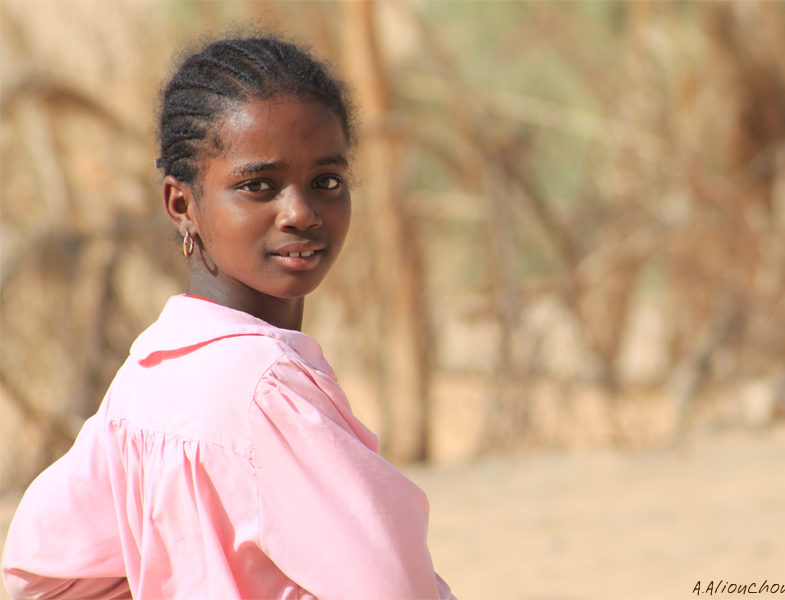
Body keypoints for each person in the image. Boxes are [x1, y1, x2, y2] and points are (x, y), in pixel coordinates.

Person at [2, 36, 454, 600]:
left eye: (327, 181)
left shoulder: (151, 373)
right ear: (182, 204)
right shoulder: (263, 388)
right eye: (257, 186)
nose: (302, 213)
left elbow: (35, 570)